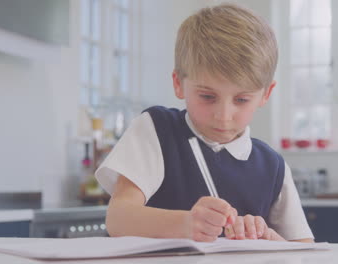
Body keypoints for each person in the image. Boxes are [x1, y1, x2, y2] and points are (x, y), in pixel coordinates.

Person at [95, 3, 314, 243]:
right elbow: (118, 218)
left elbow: (302, 249)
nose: (223, 115)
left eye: (241, 99)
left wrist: (271, 240)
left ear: (266, 93)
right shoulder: (157, 130)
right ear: (178, 83)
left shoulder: (273, 167)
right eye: (208, 97)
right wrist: (187, 224)